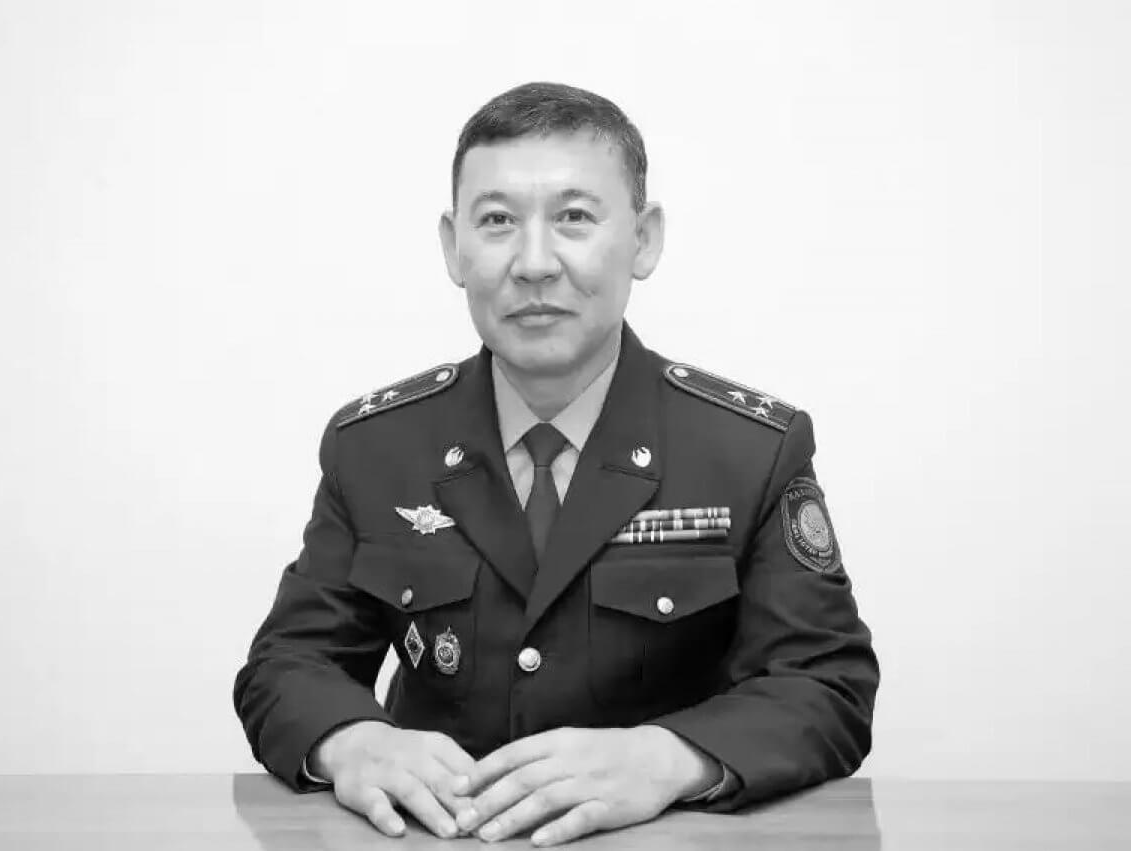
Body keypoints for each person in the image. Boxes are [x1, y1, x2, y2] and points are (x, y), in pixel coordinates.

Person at [233, 81, 879, 847]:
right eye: (497, 221)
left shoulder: (748, 451)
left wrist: (669, 757)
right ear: (453, 247)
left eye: (574, 217)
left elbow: (826, 683)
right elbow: (288, 661)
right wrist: (351, 741)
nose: (534, 263)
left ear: (643, 239)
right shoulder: (376, 446)